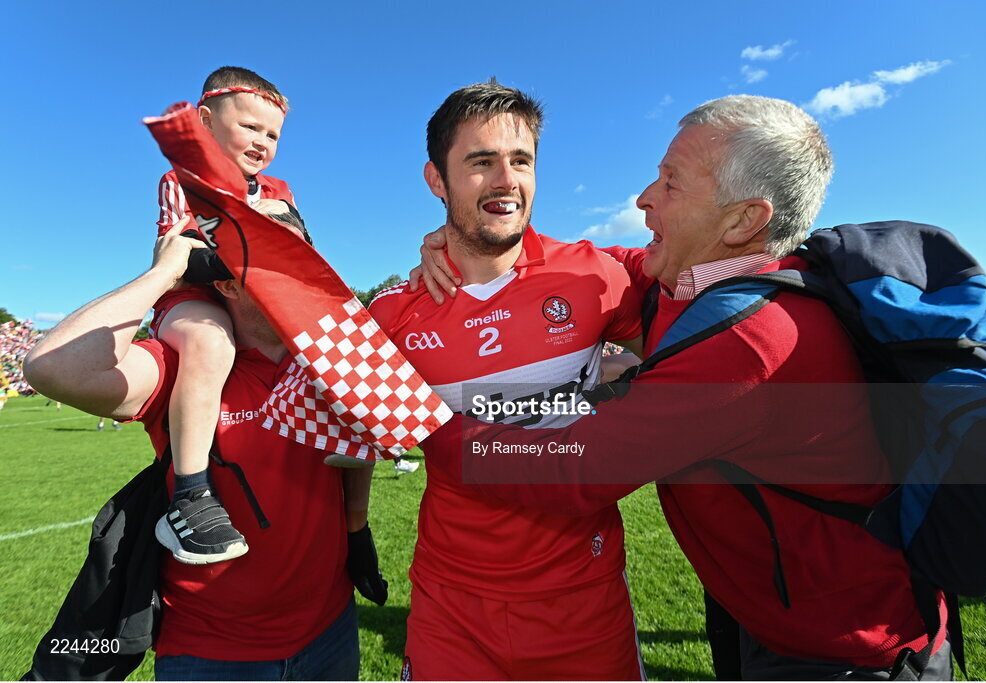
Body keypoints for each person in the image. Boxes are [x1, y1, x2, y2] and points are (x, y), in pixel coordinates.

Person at [418, 95, 951, 680]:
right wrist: (469, 237)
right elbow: (593, 265)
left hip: (844, 649)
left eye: (670, 184)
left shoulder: (752, 340)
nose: (645, 197)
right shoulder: (693, 290)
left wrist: (427, 420)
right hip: (770, 610)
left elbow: (569, 468)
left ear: (744, 220)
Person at [367, 82, 645, 680]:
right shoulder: (392, 314)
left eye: (521, 161)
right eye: (480, 162)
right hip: (452, 604)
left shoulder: (594, 275)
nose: (505, 180)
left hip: (585, 595)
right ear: (436, 180)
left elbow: (683, 330)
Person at [23, 216, 364, 679]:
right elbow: (54, 368)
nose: (296, 272)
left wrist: (357, 533)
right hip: (210, 650)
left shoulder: (334, 359)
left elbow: (359, 446)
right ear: (224, 280)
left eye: (301, 255)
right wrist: (163, 273)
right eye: (272, 257)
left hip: (330, 629)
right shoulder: (186, 364)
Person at [151, 66, 298, 565]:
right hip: (194, 302)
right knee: (212, 343)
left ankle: (351, 436)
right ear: (205, 122)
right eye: (251, 127)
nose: (263, 141)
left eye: (273, 133)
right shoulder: (181, 181)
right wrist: (254, 254)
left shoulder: (279, 191)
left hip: (254, 303)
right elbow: (182, 259)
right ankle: (190, 494)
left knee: (318, 338)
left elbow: (300, 256)